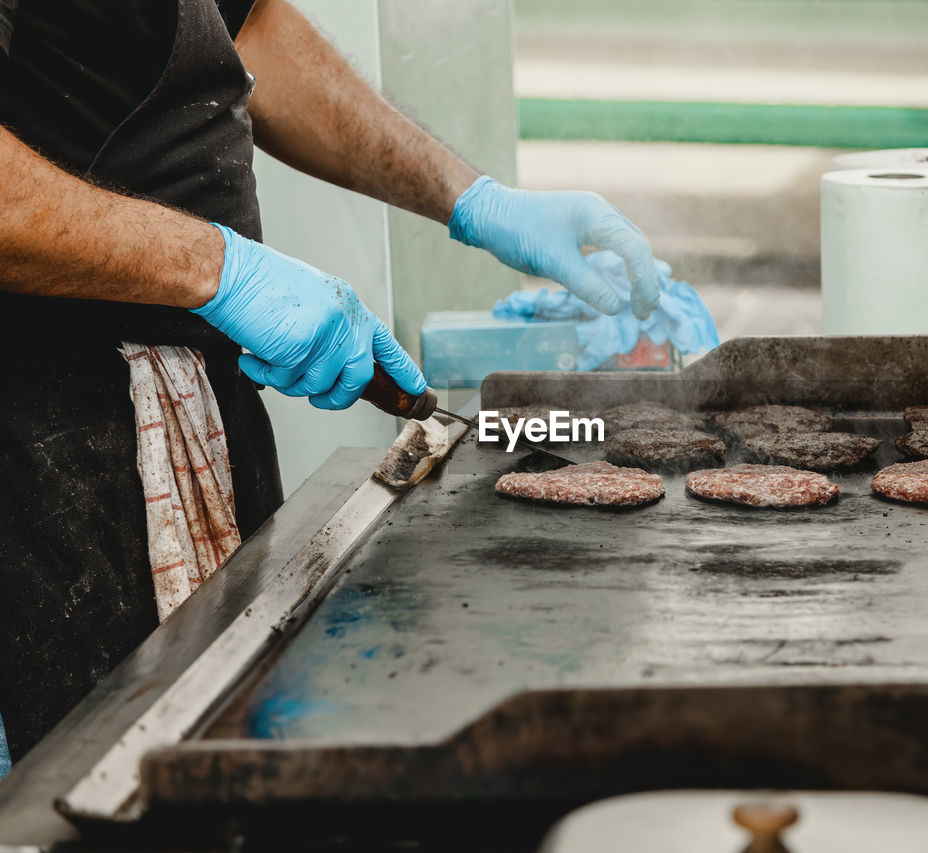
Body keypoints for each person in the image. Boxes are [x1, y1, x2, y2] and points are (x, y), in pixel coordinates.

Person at [0, 0, 659, 763]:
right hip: (34, 439)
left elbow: (245, 32)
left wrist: (471, 198)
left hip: (188, 401)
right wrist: (219, 269)